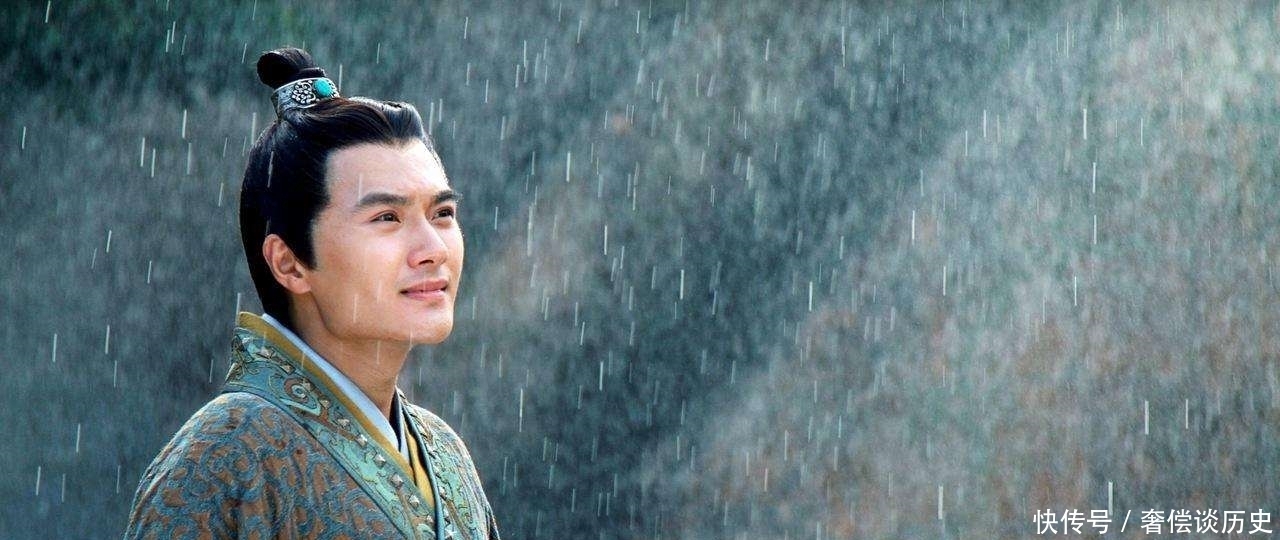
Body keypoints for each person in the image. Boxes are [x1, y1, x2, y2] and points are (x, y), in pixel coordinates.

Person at [124, 47, 500, 539]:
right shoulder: (221, 458)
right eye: (387, 217)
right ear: (289, 263)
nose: (433, 249)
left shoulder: (446, 454)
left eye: (442, 214)